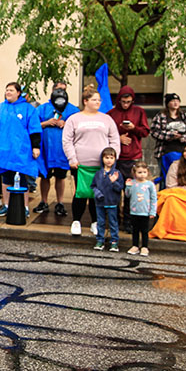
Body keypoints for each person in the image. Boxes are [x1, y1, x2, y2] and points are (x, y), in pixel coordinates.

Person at [62, 85, 121, 237]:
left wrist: (113, 158)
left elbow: (114, 139)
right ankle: (76, 221)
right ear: (85, 101)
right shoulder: (74, 119)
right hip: (80, 164)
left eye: (99, 100)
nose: (98, 102)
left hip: (101, 165)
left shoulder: (106, 119)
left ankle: (96, 222)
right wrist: (72, 158)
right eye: (94, 100)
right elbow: (67, 140)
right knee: (80, 193)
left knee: (97, 194)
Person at [0, 82, 42, 217]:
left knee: (22, 178)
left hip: (21, 150)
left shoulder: (28, 109)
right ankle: (6, 204)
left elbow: (35, 129)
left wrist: (36, 146)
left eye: (11, 90)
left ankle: (24, 206)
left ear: (18, 93)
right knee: (6, 178)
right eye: (6, 90)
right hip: (4, 150)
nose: (8, 92)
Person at [106, 85, 149, 231]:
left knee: (132, 190)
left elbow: (145, 131)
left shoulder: (139, 112)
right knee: (115, 189)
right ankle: (115, 220)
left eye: (128, 102)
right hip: (117, 157)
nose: (125, 104)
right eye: (123, 102)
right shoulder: (111, 114)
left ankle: (129, 221)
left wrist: (133, 128)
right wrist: (118, 138)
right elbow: (105, 134)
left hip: (133, 156)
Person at [34, 82, 79, 217]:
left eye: (63, 90)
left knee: (61, 177)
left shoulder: (72, 110)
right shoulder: (42, 108)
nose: (60, 92)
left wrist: (66, 124)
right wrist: (47, 123)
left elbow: (78, 128)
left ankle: (60, 203)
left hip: (62, 150)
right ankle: (44, 201)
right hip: (46, 149)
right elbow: (33, 125)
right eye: (58, 89)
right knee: (45, 176)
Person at [150, 93, 186, 182]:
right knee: (167, 176)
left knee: (184, 175)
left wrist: (183, 137)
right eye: (172, 101)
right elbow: (154, 132)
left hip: (184, 151)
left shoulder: (185, 116)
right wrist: (170, 135)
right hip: (165, 151)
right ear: (167, 103)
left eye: (177, 101)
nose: (175, 103)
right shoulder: (160, 116)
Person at [90, 147, 124, 252]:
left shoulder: (117, 173)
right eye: (106, 157)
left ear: (115, 159)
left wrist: (114, 182)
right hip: (100, 202)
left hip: (112, 202)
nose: (109, 160)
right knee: (100, 222)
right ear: (102, 159)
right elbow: (93, 186)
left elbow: (120, 188)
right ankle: (100, 240)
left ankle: (114, 241)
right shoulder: (98, 173)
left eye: (111, 158)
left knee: (113, 222)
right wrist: (97, 194)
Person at [125, 161, 157, 257]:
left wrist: (152, 211)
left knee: (144, 230)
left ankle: (144, 247)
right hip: (134, 211)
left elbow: (153, 198)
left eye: (144, 172)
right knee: (135, 230)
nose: (142, 174)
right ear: (135, 173)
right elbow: (127, 195)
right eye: (139, 172)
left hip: (145, 212)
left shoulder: (150, 185)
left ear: (147, 172)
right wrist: (128, 186)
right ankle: (135, 245)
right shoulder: (133, 183)